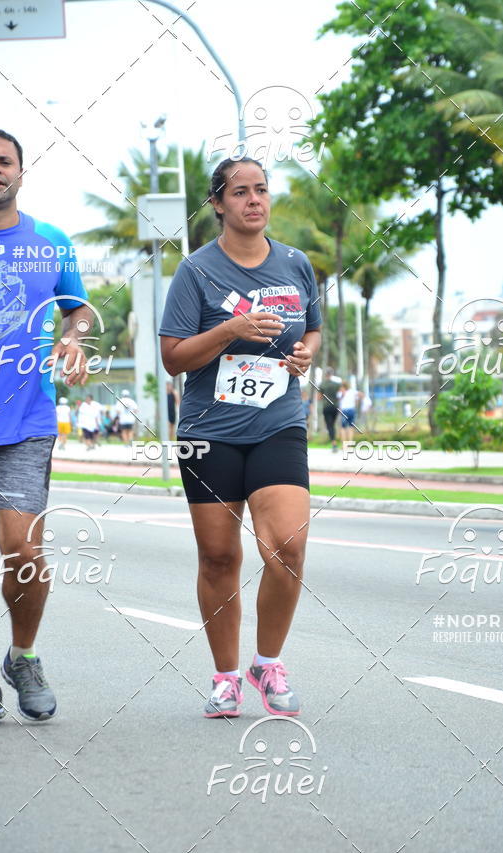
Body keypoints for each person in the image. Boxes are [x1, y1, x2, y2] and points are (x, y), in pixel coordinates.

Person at [160, 157, 321, 719]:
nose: (254, 200)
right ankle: (226, 675)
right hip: (210, 433)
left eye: (261, 190)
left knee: (288, 547)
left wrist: (305, 355)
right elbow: (172, 359)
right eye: (240, 192)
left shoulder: (296, 264)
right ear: (218, 205)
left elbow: (313, 328)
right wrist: (231, 329)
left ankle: (267, 663)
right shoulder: (196, 272)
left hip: (279, 423)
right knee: (219, 558)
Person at [0, 127, 91, 727]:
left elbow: (78, 309)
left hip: (27, 417)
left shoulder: (50, 241)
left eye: (5, 161)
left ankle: (24, 655)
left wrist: (73, 342)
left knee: (22, 551)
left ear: (22, 171)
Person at [318, 367, 341, 451]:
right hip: (335, 407)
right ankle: (334, 441)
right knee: (332, 425)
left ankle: (334, 443)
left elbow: (319, 397)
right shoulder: (336, 384)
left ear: (325, 374)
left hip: (326, 407)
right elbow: (341, 393)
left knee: (329, 425)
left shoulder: (322, 384)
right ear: (331, 374)